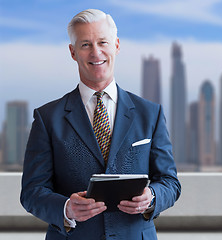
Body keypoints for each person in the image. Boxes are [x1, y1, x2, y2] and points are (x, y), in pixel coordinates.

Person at [20, 9, 181, 240]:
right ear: (73, 52)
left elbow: (170, 183)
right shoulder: (47, 118)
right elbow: (31, 192)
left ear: (116, 45)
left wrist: (152, 197)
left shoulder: (150, 113)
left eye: (102, 42)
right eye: (85, 44)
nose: (96, 52)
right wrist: (66, 208)